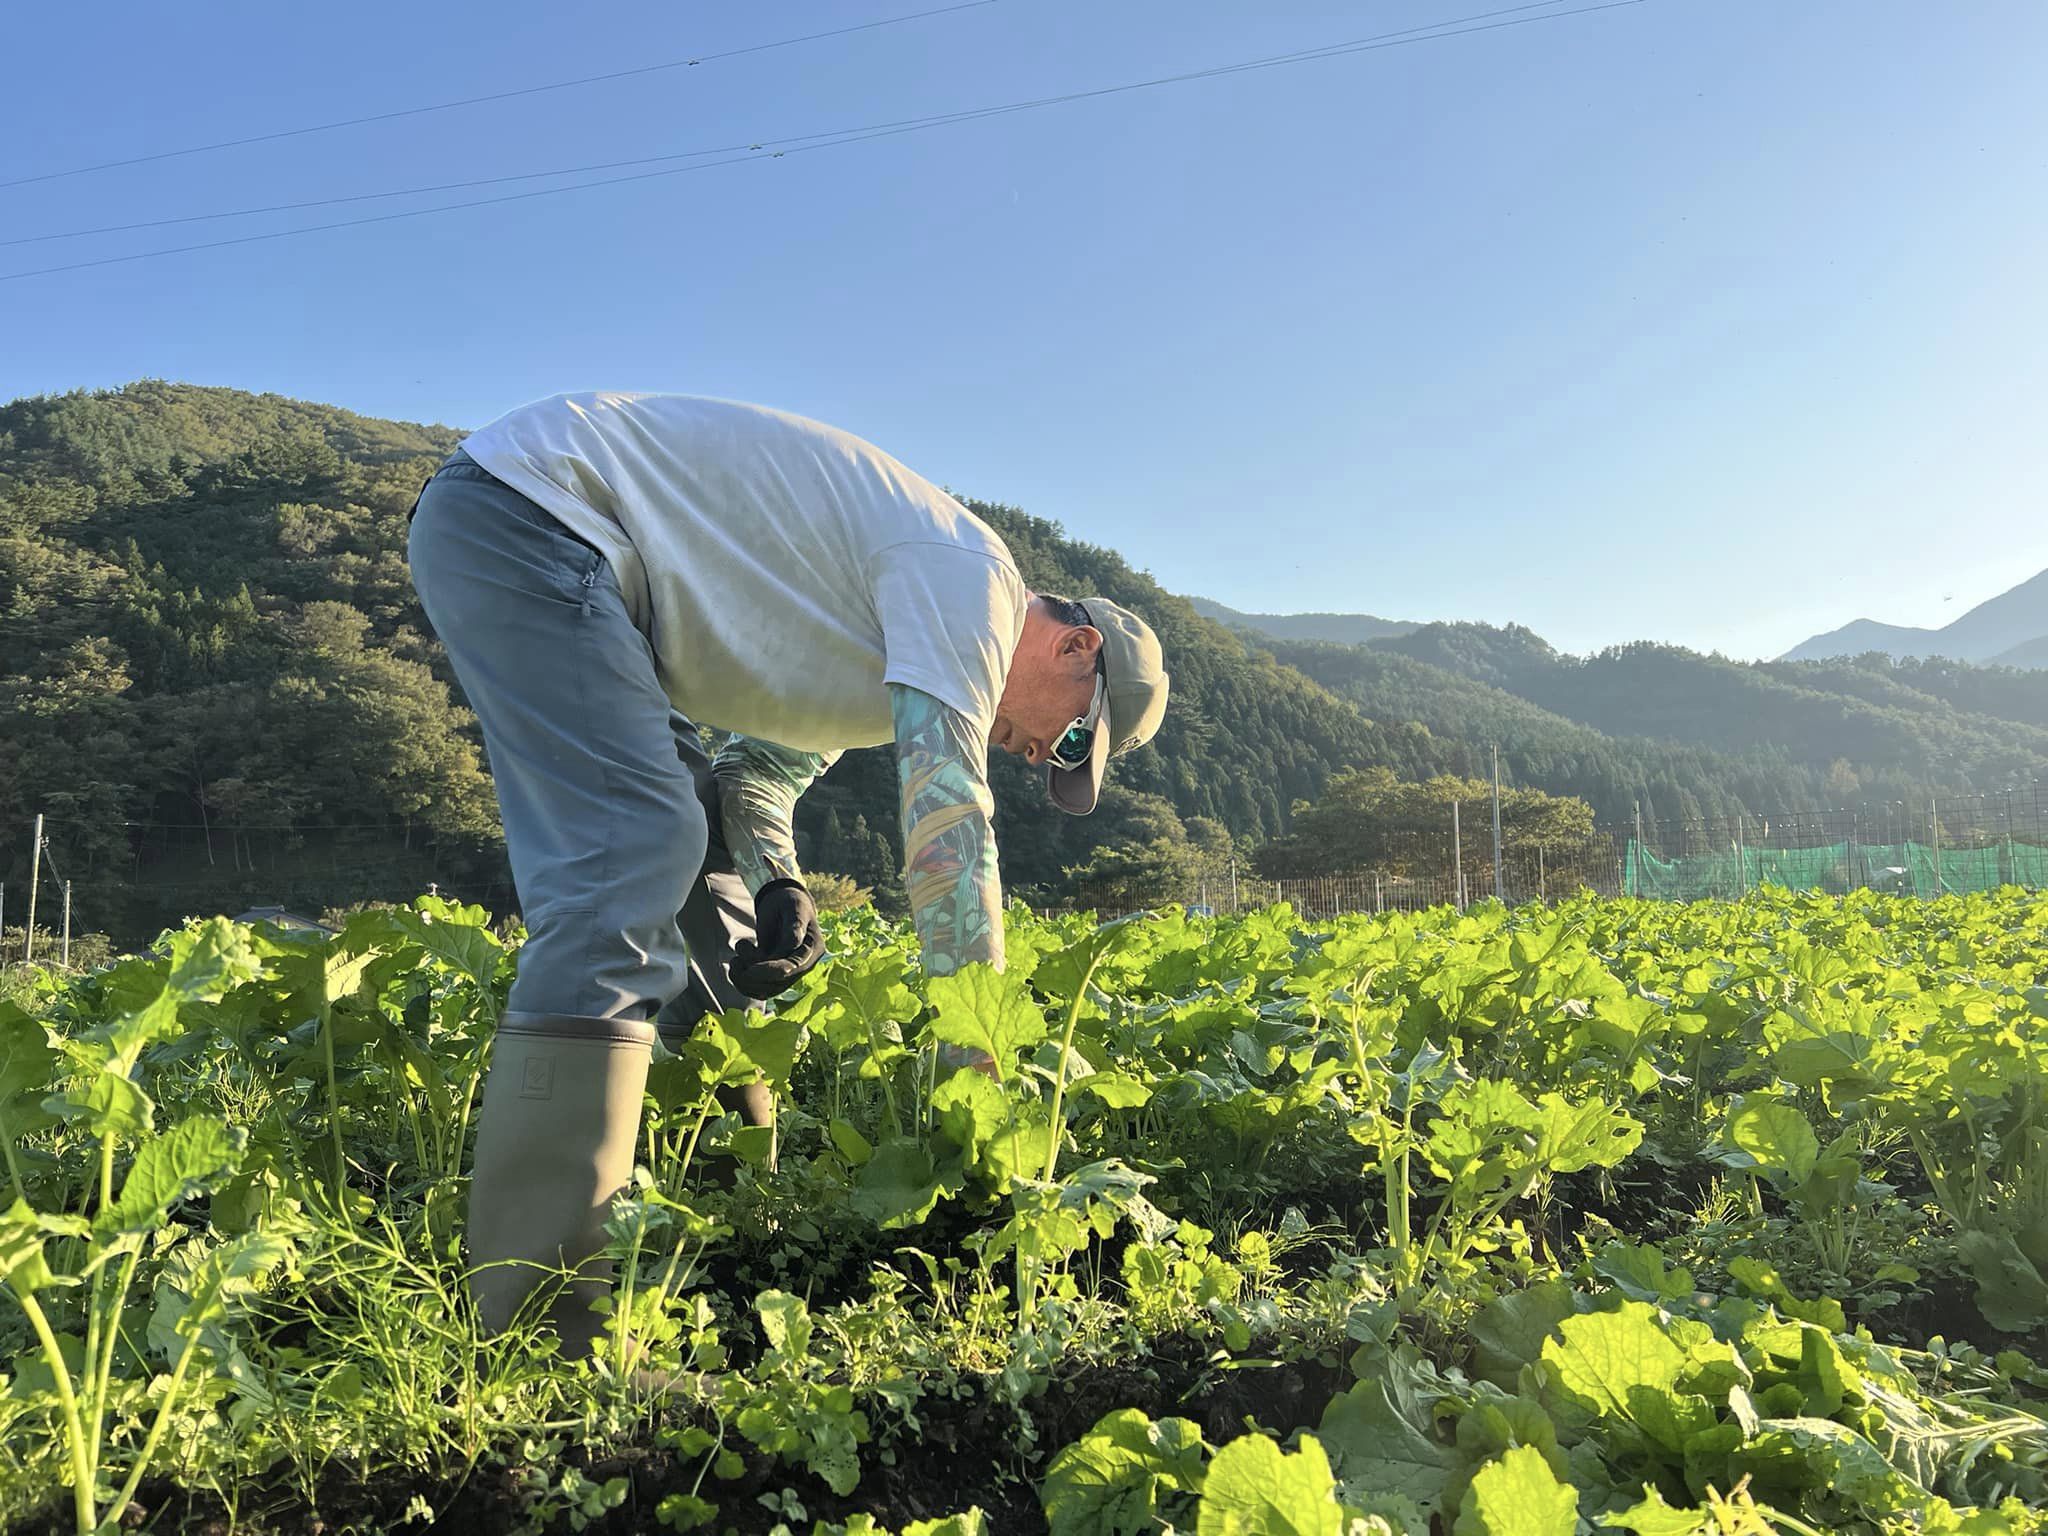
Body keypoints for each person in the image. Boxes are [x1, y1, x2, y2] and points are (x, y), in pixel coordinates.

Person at [403, 391, 1169, 1353]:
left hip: (582, 569)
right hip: (538, 517)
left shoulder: (896, 650)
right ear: (1076, 647)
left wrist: (780, 885)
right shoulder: (971, 582)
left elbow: (754, 774)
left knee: (689, 842)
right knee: (631, 851)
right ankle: (541, 1332)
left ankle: (727, 1210)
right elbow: (947, 822)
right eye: (1071, 742)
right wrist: (981, 1056)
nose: (1044, 757)